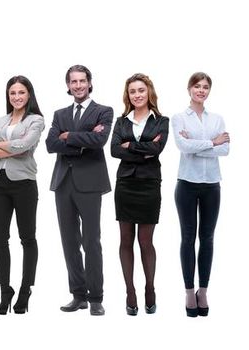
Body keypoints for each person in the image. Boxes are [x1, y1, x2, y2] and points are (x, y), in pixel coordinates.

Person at [46, 65, 113, 316]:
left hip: (90, 183)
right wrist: (79, 138)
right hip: (63, 182)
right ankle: (78, 295)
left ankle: (96, 297)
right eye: (73, 82)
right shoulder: (59, 113)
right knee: (69, 241)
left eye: (82, 81)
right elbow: (51, 145)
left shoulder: (103, 111)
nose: (78, 86)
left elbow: (100, 141)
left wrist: (68, 137)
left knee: (91, 241)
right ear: (68, 85)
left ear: (90, 82)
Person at [0, 76, 45, 315]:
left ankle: (25, 289)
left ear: (29, 94)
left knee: (27, 238)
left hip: (24, 184)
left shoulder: (36, 119)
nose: (16, 97)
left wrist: (2, 145)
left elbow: (26, 146)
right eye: (12, 93)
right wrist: (12, 145)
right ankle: (4, 289)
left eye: (21, 92)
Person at [109, 73, 169, 316]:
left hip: (148, 185)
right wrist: (144, 150)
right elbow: (113, 150)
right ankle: (130, 291)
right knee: (125, 240)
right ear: (128, 95)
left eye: (141, 90)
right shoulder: (121, 121)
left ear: (149, 92)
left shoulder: (162, 121)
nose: (137, 95)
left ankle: (150, 288)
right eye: (133, 91)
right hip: (125, 184)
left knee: (146, 241)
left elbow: (157, 149)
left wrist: (129, 146)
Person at [171, 72, 227, 318]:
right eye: (197, 86)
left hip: (212, 184)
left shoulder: (217, 118)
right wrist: (211, 143)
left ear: (209, 91)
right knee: (187, 237)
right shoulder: (179, 118)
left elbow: (225, 149)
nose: (201, 90)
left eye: (205, 87)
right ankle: (188, 290)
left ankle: (203, 291)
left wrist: (201, 144)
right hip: (187, 184)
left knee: (208, 238)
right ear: (189, 89)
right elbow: (183, 147)